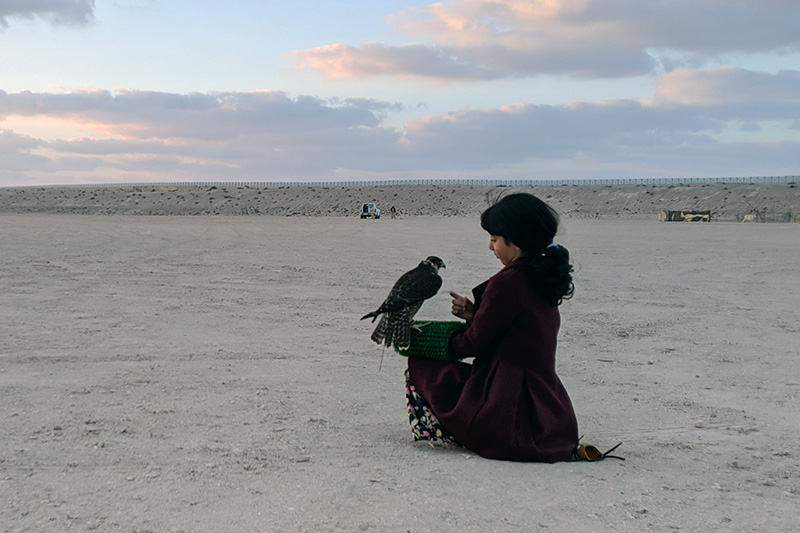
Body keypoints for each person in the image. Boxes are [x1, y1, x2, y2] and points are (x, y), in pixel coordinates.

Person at [405, 192, 579, 462]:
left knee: (420, 367)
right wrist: (476, 314)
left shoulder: (509, 281)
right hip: (551, 416)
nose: (490, 247)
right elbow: (519, 332)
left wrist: (423, 339)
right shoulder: (542, 274)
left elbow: (472, 344)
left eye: (495, 239)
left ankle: (446, 432)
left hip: (509, 412)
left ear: (517, 243)